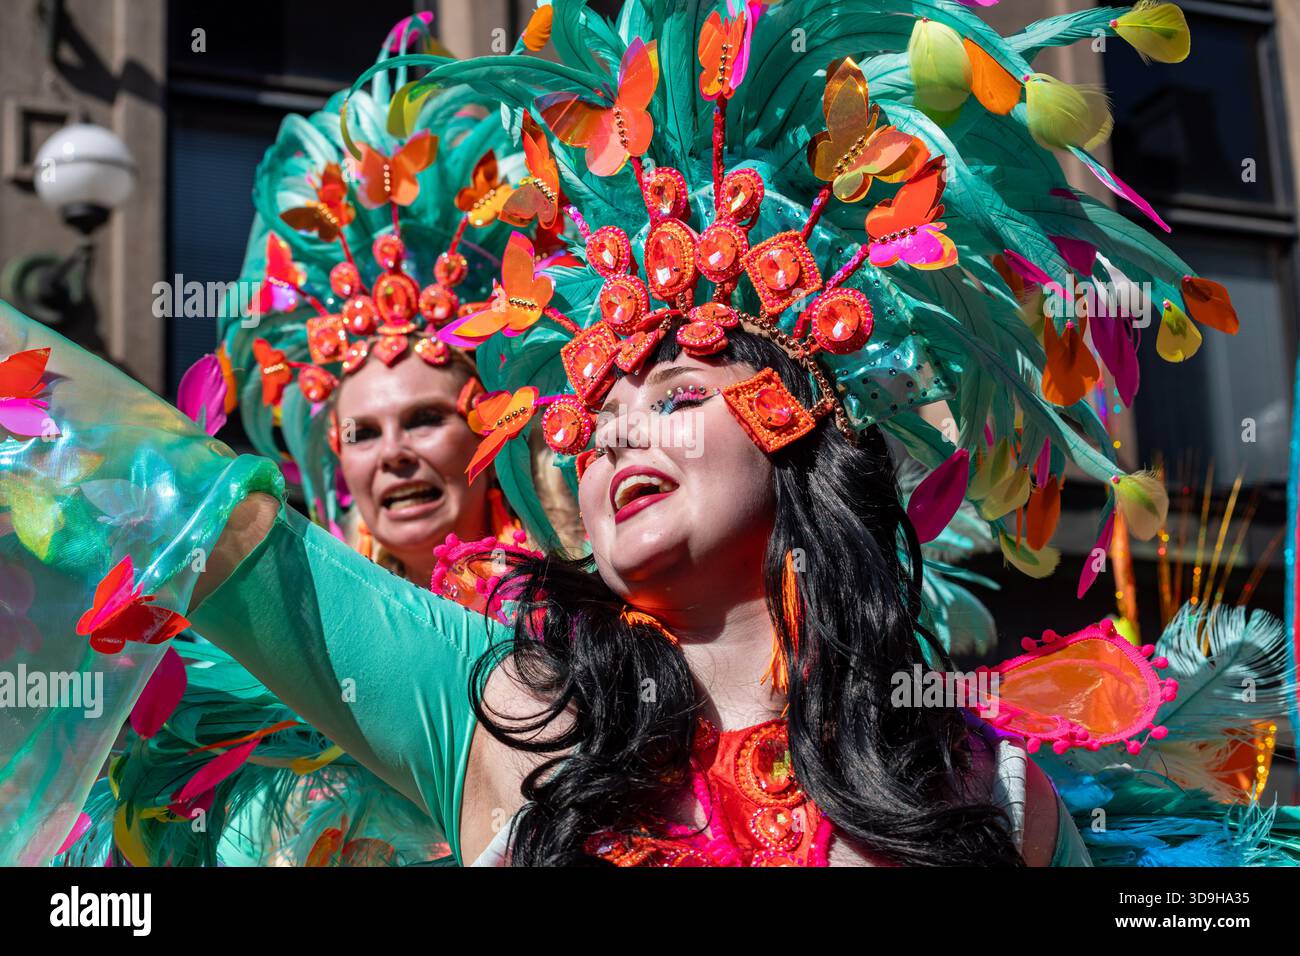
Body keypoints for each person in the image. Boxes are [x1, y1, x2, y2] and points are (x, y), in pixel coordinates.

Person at [3, 0, 1297, 867]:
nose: (619, 429)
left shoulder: (984, 788)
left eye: (674, 396)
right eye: (602, 405)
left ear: (798, 433)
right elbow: (204, 522)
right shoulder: (501, 715)